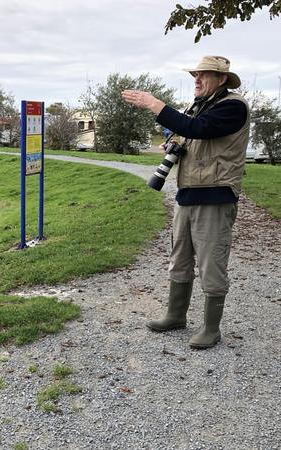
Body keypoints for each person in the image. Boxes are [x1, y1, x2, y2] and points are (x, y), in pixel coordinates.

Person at [121, 55, 250, 349]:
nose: (197, 79)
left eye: (204, 74)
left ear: (222, 80)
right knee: (179, 258)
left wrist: (154, 104)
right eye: (196, 74)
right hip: (187, 194)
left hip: (216, 196)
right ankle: (176, 315)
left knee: (211, 263)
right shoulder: (200, 106)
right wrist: (174, 144)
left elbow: (199, 130)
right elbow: (190, 133)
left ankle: (211, 329)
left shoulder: (233, 106)